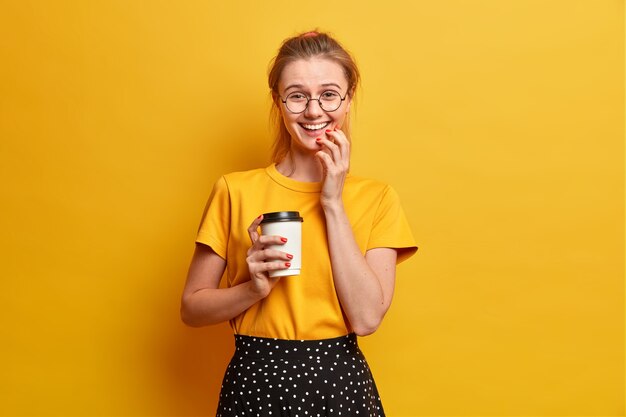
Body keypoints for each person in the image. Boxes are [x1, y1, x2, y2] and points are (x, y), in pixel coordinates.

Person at [180, 30, 418, 417]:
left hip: (340, 385)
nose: (313, 111)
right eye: (297, 95)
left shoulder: (377, 198)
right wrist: (252, 289)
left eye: (328, 94)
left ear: (348, 99)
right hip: (255, 382)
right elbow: (191, 309)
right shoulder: (234, 190)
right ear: (278, 101)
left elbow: (366, 318)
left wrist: (333, 202)